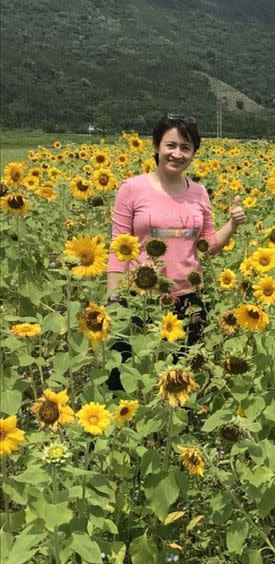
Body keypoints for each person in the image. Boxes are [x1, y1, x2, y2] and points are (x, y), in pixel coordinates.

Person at [105, 114, 245, 390]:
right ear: (157, 146)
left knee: (180, 382)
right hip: (140, 300)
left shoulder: (200, 193)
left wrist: (233, 224)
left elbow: (208, 246)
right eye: (171, 145)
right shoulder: (132, 189)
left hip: (188, 300)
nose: (177, 154)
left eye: (186, 147)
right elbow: (117, 248)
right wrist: (114, 299)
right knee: (129, 380)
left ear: (194, 153)